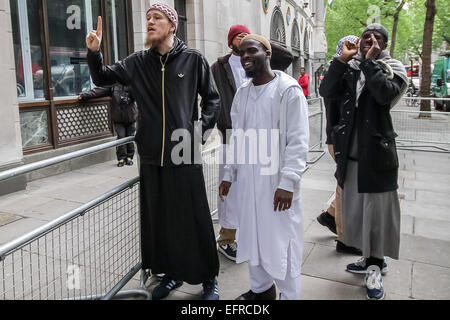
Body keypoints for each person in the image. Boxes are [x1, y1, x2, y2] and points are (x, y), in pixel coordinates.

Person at [85, 3, 221, 300]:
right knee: (160, 221)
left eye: (156, 18)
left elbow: (212, 99)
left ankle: (209, 278)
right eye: (147, 18)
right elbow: (102, 78)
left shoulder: (193, 59)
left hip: (184, 153)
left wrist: (198, 134)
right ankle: (170, 275)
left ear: (172, 25)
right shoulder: (136, 62)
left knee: (194, 218)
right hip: (149, 155)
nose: (149, 22)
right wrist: (94, 53)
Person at [319, 23, 408, 300]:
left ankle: (374, 266)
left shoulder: (393, 68)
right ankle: (369, 259)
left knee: (377, 216)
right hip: (351, 156)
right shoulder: (350, 67)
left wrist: (370, 64)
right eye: (365, 37)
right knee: (357, 212)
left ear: (385, 43)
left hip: (377, 157)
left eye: (377, 37)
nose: (370, 40)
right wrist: (340, 60)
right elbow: (326, 91)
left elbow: (384, 95)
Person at [219, 34, 309, 300]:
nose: (245, 56)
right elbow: (237, 136)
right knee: (253, 235)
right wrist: (228, 174)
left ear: (267, 53)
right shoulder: (243, 93)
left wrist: (288, 182)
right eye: (241, 53)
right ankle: (261, 289)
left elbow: (298, 140)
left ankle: (290, 294)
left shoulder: (288, 89)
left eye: (252, 51)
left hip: (276, 183)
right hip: (248, 181)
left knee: (283, 240)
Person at [212, 26, 294, 262]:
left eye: (248, 42)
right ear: (230, 43)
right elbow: (211, 96)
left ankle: (258, 241)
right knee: (230, 192)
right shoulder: (219, 66)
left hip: (264, 144)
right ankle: (227, 239)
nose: (244, 45)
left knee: (258, 194)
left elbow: (286, 57)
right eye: (237, 37)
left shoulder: (270, 72)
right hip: (232, 136)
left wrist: (259, 42)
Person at [317, 35, 362, 256]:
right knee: (344, 185)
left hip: (350, 140)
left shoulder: (356, 69)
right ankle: (344, 239)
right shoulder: (338, 70)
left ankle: (331, 215)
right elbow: (326, 93)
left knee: (346, 184)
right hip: (338, 139)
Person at [79, 84, 137, 167]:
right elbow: (98, 91)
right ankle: (121, 158)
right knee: (121, 137)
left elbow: (139, 94)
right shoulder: (113, 86)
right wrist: (84, 95)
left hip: (131, 117)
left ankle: (129, 157)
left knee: (130, 136)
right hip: (118, 118)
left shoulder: (131, 83)